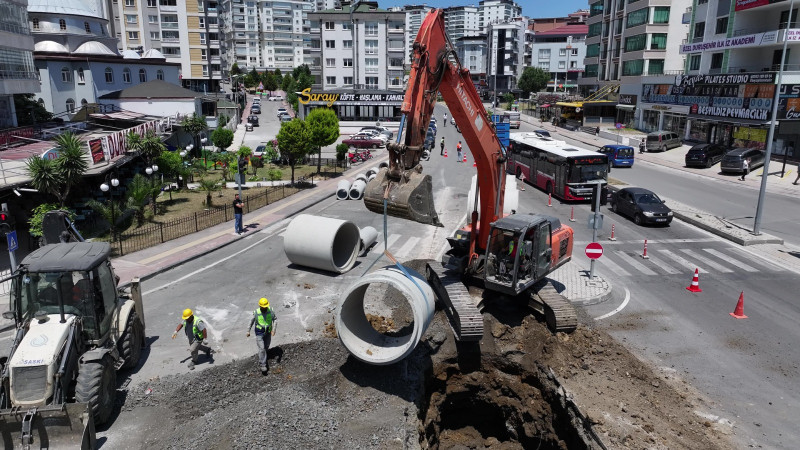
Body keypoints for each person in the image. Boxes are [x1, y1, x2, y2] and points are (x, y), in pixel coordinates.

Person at [246, 297, 278, 372]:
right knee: (262, 348)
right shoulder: (256, 312)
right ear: (260, 306)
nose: (264, 308)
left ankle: (263, 354)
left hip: (268, 332)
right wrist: (248, 331)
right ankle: (263, 364)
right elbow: (251, 321)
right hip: (259, 333)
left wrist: (274, 330)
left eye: (265, 307)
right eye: (263, 307)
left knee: (266, 346)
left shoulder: (271, 311)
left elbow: (275, 320)